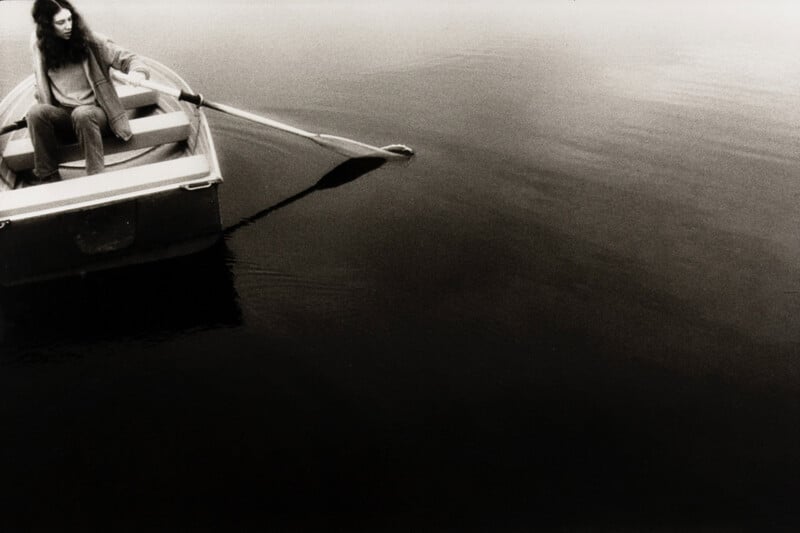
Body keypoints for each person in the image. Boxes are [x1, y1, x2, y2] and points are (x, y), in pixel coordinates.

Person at [26, 0, 149, 185]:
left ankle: (96, 179)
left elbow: (130, 59)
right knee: (35, 113)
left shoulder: (92, 41)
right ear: (47, 26)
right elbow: (41, 83)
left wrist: (137, 72)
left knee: (82, 113)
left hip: (97, 115)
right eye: (61, 23)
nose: (68, 26)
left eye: (70, 19)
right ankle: (48, 176)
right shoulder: (40, 46)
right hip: (65, 116)